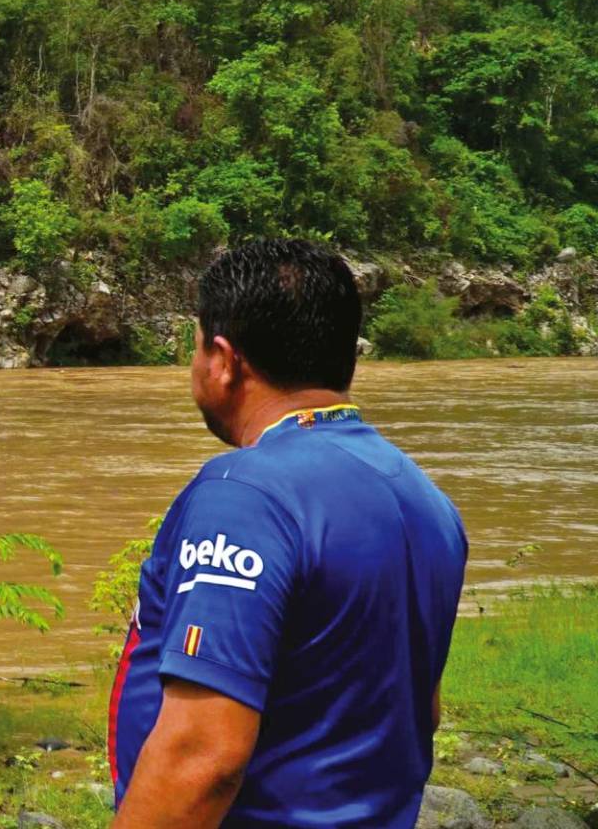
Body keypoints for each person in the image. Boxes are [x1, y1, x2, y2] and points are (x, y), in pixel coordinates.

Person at [108, 239, 469, 828]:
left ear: (223, 360)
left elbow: (201, 757)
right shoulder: (425, 498)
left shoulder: (244, 495)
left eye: (195, 348)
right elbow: (419, 711)